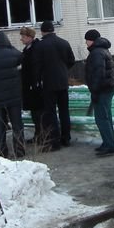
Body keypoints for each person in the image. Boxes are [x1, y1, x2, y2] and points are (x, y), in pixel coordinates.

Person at [33, 20, 75, 151]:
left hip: (48, 84)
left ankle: (54, 141)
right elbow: (71, 61)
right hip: (63, 82)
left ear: (43, 31)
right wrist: (63, 70)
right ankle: (66, 138)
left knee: (50, 113)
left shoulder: (40, 46)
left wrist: (37, 80)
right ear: (53, 29)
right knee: (64, 111)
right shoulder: (64, 42)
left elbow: (37, 66)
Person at [84, 30, 114, 157]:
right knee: (106, 117)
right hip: (107, 88)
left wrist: (95, 90)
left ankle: (109, 145)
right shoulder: (102, 50)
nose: (86, 43)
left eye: (86, 40)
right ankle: (108, 143)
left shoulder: (96, 53)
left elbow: (98, 73)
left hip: (102, 89)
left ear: (91, 40)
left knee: (101, 118)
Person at [19, 26, 43, 144]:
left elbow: (35, 68)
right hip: (31, 86)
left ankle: (40, 135)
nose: (21, 39)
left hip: (34, 87)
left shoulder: (34, 49)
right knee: (35, 113)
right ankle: (39, 134)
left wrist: (34, 83)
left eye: (23, 37)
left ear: (29, 37)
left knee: (37, 112)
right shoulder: (29, 49)